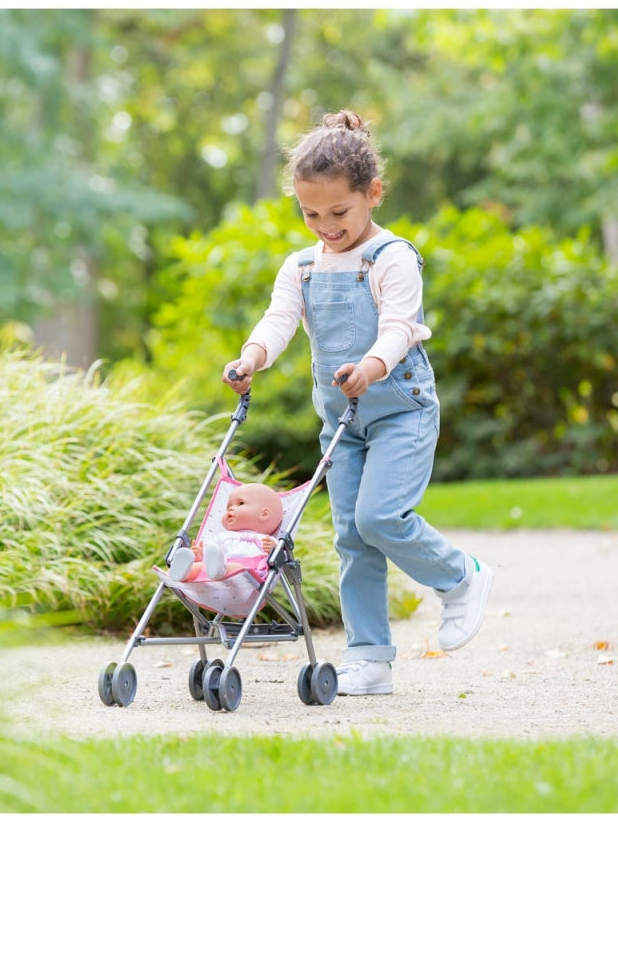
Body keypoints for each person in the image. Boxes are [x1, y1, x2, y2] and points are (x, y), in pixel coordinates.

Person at [221, 109, 493, 696]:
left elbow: (399, 328)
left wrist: (370, 367)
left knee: (379, 518)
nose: (325, 225)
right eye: (310, 213)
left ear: (373, 194)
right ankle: (369, 658)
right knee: (352, 536)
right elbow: (278, 321)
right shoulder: (300, 267)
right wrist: (250, 357)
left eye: (338, 212)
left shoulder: (392, 257)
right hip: (342, 427)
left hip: (401, 410)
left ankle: (460, 577)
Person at [167, 482, 282, 583]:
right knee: (199, 566)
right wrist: (200, 556)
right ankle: (183, 573)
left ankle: (221, 569)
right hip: (214, 570)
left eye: (240, 503)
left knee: (238, 568)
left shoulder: (266, 539)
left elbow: (280, 557)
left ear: (264, 514)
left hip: (247, 574)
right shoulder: (223, 536)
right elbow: (211, 553)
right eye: (228, 507)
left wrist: (273, 549)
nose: (230, 509)